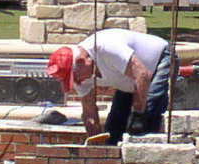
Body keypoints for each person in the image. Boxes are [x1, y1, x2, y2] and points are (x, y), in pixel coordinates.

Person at [46, 28, 174, 145]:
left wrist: (138, 113)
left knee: (148, 112)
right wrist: (95, 141)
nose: (78, 83)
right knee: (114, 127)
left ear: (82, 61)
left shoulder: (107, 47)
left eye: (75, 78)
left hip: (160, 59)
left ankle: (149, 161)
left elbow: (143, 75)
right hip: (130, 79)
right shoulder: (80, 73)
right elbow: (89, 113)